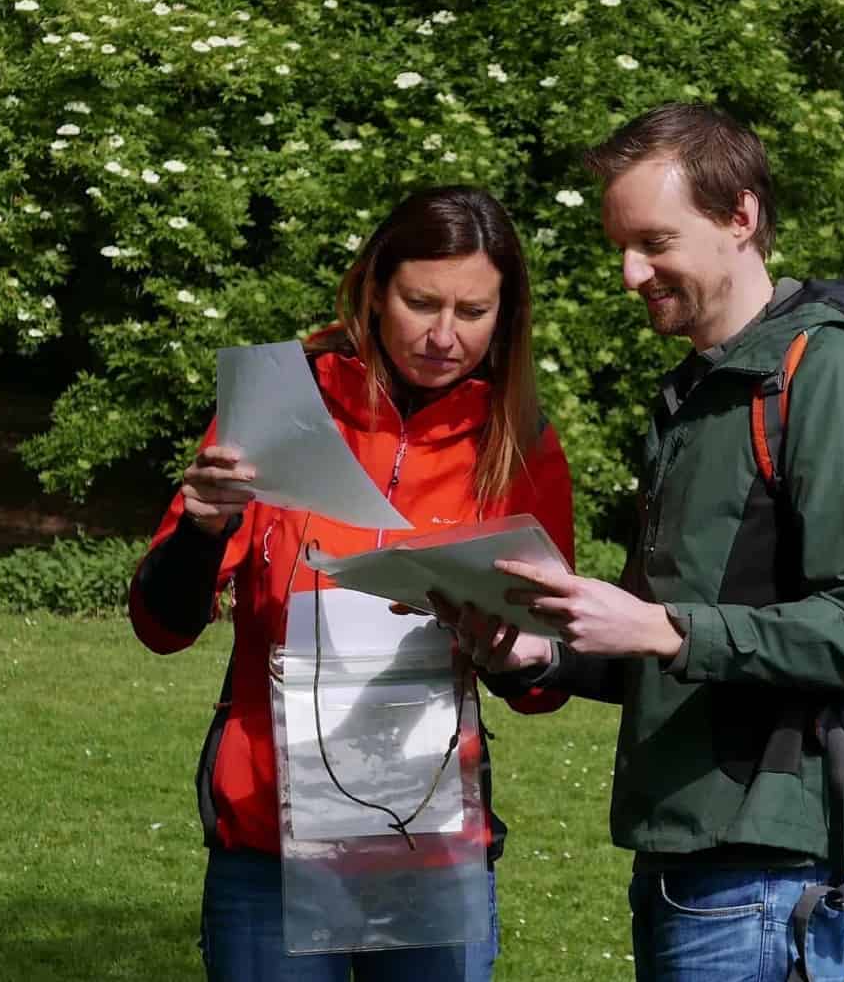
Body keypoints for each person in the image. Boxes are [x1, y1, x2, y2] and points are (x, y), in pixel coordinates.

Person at [452, 104, 844, 982]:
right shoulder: (698, 398)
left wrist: (662, 628)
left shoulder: (828, 373)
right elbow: (669, 638)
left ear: (740, 217)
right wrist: (543, 653)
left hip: (764, 868)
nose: (632, 272)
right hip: (684, 854)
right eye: (621, 247)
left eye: (655, 241)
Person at [128, 185, 575, 982]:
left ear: (507, 315)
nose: (444, 336)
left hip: (430, 840)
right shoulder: (279, 403)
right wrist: (203, 529)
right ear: (374, 289)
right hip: (269, 842)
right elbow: (162, 625)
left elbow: (548, 679)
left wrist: (523, 656)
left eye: (473, 312)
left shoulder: (521, 441)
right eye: (420, 302)